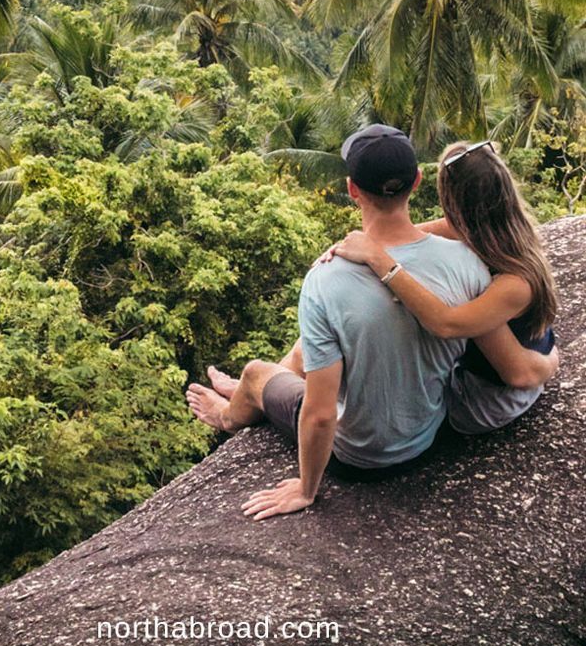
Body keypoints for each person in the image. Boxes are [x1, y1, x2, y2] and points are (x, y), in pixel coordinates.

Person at [186, 125, 557, 521]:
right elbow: (435, 234)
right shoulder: (470, 263)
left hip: (361, 455)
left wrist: (305, 489)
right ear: (415, 182)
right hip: (426, 435)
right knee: (309, 346)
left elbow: (322, 413)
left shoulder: (324, 283)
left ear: (352, 189)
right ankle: (265, 384)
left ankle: (230, 414)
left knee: (257, 373)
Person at [322, 138, 559, 435]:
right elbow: (419, 232)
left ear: (452, 201)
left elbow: (448, 327)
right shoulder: (494, 228)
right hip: (495, 367)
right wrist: (367, 241)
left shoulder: (514, 282)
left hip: (488, 400)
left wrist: (379, 258)